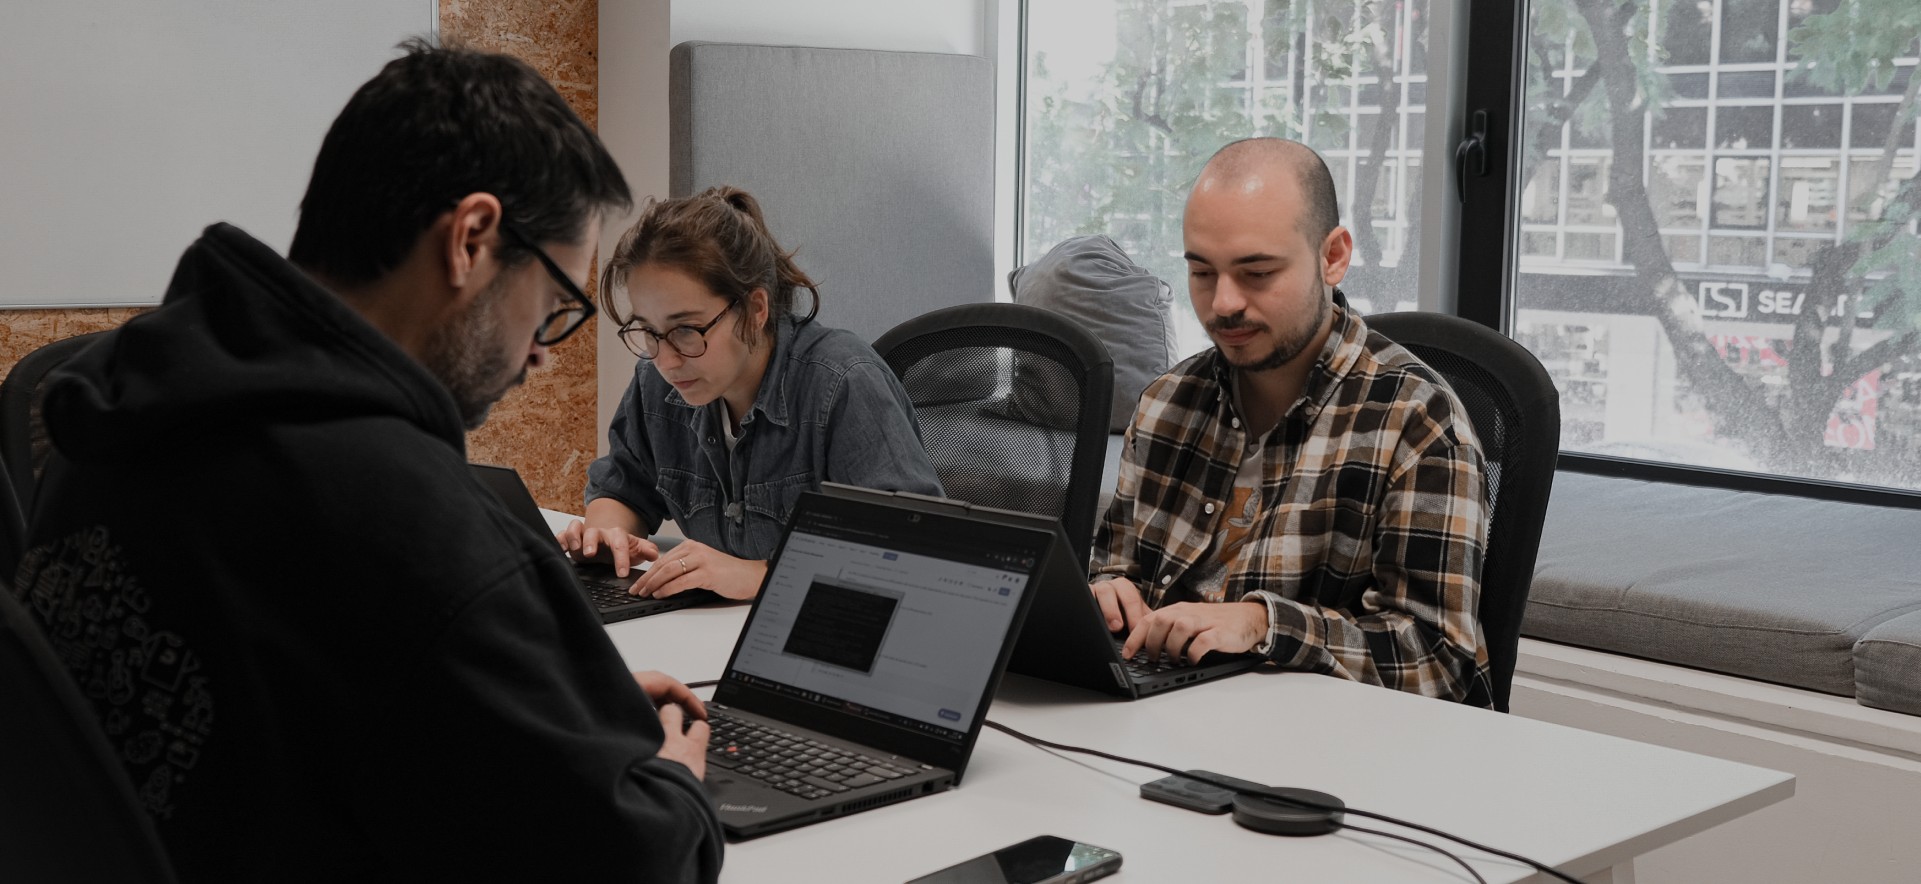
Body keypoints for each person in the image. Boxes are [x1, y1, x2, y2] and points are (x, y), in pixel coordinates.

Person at [13, 41, 723, 880]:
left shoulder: (118, 408)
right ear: (470, 238)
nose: (540, 354)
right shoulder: (404, 521)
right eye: (555, 307)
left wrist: (549, 713)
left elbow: (298, 697)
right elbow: (632, 863)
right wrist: (671, 781)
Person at [1089, 137, 1493, 705]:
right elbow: (1115, 569)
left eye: (1256, 273)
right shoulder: (1166, 404)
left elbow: (1438, 665)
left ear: (1333, 256)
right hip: (1167, 722)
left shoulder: (1416, 421)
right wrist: (1108, 593)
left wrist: (1262, 625)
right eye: (1203, 273)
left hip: (1329, 755)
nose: (1223, 303)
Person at [558, 187, 943, 600]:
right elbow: (622, 488)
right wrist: (608, 534)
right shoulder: (657, 383)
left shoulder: (842, 383)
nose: (666, 360)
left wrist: (761, 576)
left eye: (686, 329)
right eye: (649, 332)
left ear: (756, 309)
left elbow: (914, 556)